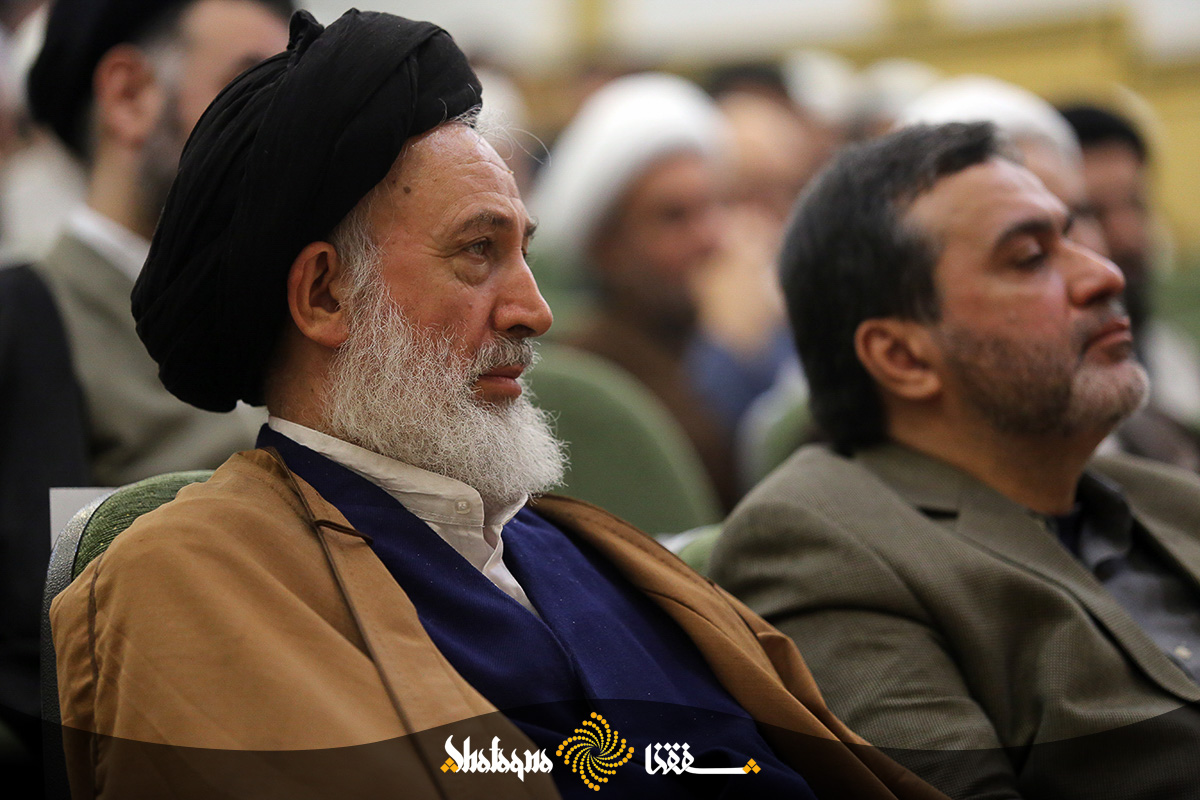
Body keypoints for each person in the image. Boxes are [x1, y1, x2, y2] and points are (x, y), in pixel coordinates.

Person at [49, 11, 945, 800]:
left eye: (524, 251)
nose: (535, 309)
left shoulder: (598, 555)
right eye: (478, 252)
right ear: (324, 295)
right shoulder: (184, 584)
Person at [711, 122, 1200, 799]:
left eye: (1074, 237)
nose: (1104, 273)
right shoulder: (821, 546)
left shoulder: (1172, 498)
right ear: (903, 357)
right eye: (1030, 258)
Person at [24, 0, 291, 488]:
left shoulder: (287, 312)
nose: (287, 130)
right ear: (129, 97)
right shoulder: (29, 328)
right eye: (251, 90)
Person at [531, 73, 741, 510]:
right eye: (674, 216)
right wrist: (735, 360)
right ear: (606, 247)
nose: (711, 239)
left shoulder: (702, 344)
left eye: (714, 206)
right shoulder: (591, 379)